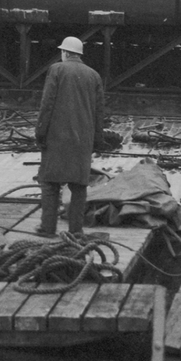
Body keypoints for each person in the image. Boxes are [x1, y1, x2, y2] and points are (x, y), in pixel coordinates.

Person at [34, 36, 106, 237]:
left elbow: (47, 104)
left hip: (56, 139)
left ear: (65, 52)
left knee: (50, 184)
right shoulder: (94, 75)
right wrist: (97, 141)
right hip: (82, 141)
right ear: (79, 54)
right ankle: (76, 231)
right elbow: (99, 112)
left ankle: (47, 228)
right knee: (79, 186)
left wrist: (40, 133)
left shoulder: (56, 69)